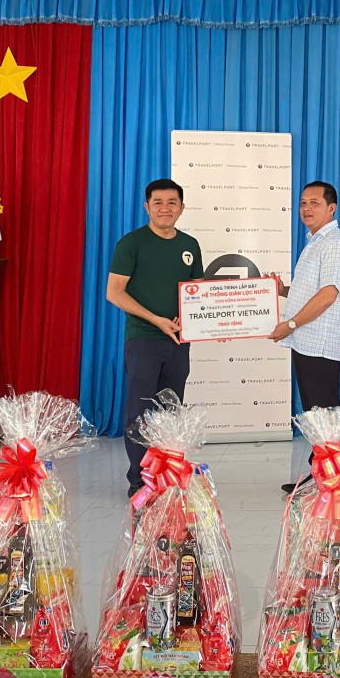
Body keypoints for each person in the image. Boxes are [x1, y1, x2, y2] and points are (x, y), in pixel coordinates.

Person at [106, 179, 204, 497]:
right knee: (139, 412)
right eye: (158, 202)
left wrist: (206, 323)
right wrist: (156, 320)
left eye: (172, 202)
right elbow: (114, 293)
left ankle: (167, 473)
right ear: (146, 207)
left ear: (182, 208)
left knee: (171, 411)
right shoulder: (131, 244)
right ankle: (139, 479)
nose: (165, 208)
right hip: (143, 340)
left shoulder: (190, 245)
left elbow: (197, 294)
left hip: (179, 342)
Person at [268, 181, 340, 494]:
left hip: (319, 341)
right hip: (306, 340)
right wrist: (283, 291)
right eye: (303, 203)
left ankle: (338, 480)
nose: (306, 209)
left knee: (325, 414)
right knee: (316, 416)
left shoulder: (334, 244)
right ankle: (323, 474)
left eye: (314, 203)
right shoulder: (316, 241)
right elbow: (313, 292)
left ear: (331, 208)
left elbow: (328, 295)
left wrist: (290, 324)